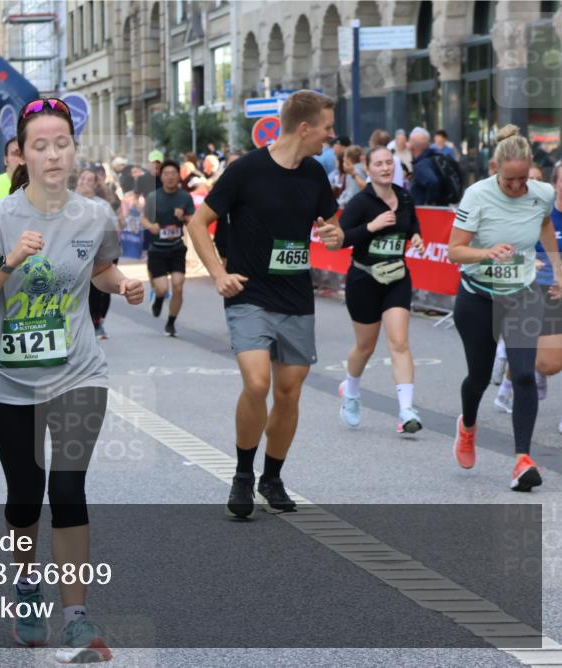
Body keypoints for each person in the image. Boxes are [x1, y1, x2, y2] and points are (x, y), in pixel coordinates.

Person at [0, 96, 143, 662]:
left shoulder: (96, 215)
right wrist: (9, 261)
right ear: (21, 153)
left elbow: (103, 268)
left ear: (73, 148)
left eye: (62, 142)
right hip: (9, 383)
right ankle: (26, 588)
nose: (53, 153)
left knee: (67, 490)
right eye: (40, 145)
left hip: (79, 374)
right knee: (24, 498)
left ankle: (77, 617)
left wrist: (124, 285)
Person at [185, 89, 344, 518]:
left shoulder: (314, 174)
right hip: (248, 293)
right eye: (327, 128)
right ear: (305, 127)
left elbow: (331, 225)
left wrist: (335, 235)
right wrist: (218, 274)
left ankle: (272, 477)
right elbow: (199, 223)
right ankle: (242, 475)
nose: (331, 136)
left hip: (295, 296)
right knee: (257, 384)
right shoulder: (246, 171)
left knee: (289, 394)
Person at [448, 125, 559, 491]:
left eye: (522, 179)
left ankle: (522, 460)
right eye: (509, 179)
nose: (516, 187)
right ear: (495, 168)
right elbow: (454, 250)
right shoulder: (476, 196)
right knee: (478, 377)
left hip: (522, 294)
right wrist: (485, 252)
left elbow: (543, 222)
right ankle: (467, 426)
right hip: (477, 295)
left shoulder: (541, 193)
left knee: (525, 374)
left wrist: (558, 268)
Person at [337, 146, 426, 434]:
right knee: (365, 347)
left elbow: (413, 225)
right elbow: (340, 239)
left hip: (397, 278)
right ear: (368, 167)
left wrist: (416, 238)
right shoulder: (361, 203)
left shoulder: (404, 196)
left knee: (399, 342)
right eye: (379, 164)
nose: (386, 168)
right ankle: (350, 392)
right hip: (364, 280)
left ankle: (406, 410)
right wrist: (371, 226)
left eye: (389, 163)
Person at [142, 159, 194, 337]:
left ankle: (171, 323)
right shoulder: (153, 197)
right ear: (161, 176)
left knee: (178, 285)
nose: (170, 177)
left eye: (173, 173)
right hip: (157, 249)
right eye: (166, 174)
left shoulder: (185, 197)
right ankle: (158, 298)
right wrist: (151, 226)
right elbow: (143, 219)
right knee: (163, 288)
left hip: (177, 247)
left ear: (179, 176)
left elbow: (193, 222)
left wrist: (184, 217)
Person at [75, 167, 121, 339]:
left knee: (102, 288)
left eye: (89, 180)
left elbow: (113, 230)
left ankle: (98, 320)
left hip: (101, 251)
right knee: (84, 289)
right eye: (82, 178)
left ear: (95, 185)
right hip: (78, 253)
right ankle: (86, 323)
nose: (84, 182)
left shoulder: (102, 205)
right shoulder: (68, 203)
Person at [533, 164, 562, 430]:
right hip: (547, 290)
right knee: (548, 363)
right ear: (555, 185)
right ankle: (532, 368)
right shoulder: (545, 215)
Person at [409, 127, 444, 205]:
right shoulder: (436, 158)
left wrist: (429, 203)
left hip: (425, 212)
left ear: (411, 147)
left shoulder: (421, 165)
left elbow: (433, 182)